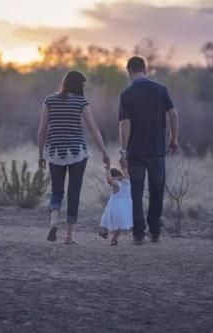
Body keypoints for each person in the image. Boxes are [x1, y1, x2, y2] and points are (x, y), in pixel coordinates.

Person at [37, 70, 110, 244]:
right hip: (77, 152)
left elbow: (41, 130)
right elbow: (93, 128)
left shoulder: (50, 100)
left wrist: (41, 153)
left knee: (57, 190)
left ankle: (54, 221)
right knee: (74, 192)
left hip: (54, 151)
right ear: (78, 85)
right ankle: (69, 236)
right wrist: (104, 152)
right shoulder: (81, 101)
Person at [118, 56, 180, 245]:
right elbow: (173, 113)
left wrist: (123, 150)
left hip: (136, 152)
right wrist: (173, 138)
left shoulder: (126, 94)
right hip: (157, 150)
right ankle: (155, 231)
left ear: (129, 71)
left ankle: (138, 233)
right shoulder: (160, 90)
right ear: (145, 69)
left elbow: (125, 124)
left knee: (135, 193)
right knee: (157, 191)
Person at [99, 167, 133, 246]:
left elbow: (109, 180)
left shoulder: (116, 184)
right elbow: (127, 174)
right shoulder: (127, 182)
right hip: (125, 208)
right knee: (119, 224)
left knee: (107, 219)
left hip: (115, 207)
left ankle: (104, 231)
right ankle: (114, 239)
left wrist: (107, 170)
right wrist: (124, 167)